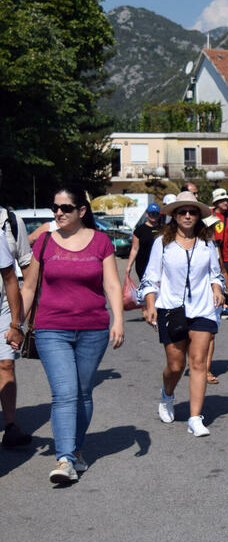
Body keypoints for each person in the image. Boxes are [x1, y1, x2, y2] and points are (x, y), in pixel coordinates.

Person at [20, 185, 125, 483]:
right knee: (65, 392)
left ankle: (76, 450)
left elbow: (112, 285)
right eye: (55, 207)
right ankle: (64, 458)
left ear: (81, 211)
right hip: (51, 328)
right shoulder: (44, 242)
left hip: (93, 329)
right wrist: (17, 324)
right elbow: (29, 288)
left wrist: (118, 320)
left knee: (82, 392)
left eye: (66, 208)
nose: (58, 213)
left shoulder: (101, 242)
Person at [140, 192, 225, 437]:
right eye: (182, 212)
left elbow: (215, 273)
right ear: (175, 216)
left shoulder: (207, 243)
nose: (187, 216)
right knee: (176, 365)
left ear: (199, 216)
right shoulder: (162, 244)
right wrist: (150, 304)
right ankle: (167, 394)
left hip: (202, 308)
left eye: (192, 212)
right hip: (171, 308)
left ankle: (195, 417)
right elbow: (150, 278)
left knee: (198, 362)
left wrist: (217, 289)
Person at [0, 181, 32, 448]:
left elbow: (22, 267)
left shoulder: (10, 221)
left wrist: (18, 320)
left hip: (4, 304)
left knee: (6, 363)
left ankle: (10, 425)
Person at [211, 188, 228, 320]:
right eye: (222, 201)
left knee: (227, 280)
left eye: (227, 200)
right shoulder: (208, 215)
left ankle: (227, 305)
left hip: (227, 254)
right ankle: (219, 306)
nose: (225, 203)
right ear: (216, 203)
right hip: (211, 254)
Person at [126, 203, 163, 282]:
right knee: (146, 287)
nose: (153, 215)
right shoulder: (139, 230)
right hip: (143, 264)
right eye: (151, 213)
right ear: (146, 214)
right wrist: (129, 266)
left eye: (156, 213)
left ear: (159, 215)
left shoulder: (164, 229)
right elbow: (134, 249)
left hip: (159, 264)